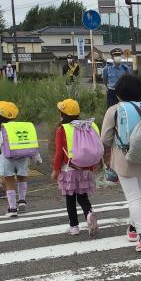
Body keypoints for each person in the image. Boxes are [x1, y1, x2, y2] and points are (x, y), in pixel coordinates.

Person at [101, 75, 141, 252]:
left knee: (133, 198)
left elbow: (105, 139)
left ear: (119, 93)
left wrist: (106, 160)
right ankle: (132, 229)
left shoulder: (114, 110)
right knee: (136, 195)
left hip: (125, 160)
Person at [51, 99, 98, 236]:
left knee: (70, 199)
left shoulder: (62, 130)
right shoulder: (86, 126)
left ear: (62, 114)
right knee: (83, 197)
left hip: (69, 169)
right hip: (85, 168)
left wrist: (55, 170)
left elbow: (59, 153)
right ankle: (89, 213)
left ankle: (74, 227)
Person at [0, 102, 38, 217]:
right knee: (22, 179)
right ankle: (22, 201)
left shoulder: (1, 129)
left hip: (7, 159)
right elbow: (31, 143)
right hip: (23, 158)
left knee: (9, 181)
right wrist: (37, 157)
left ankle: (12, 208)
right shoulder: (24, 126)